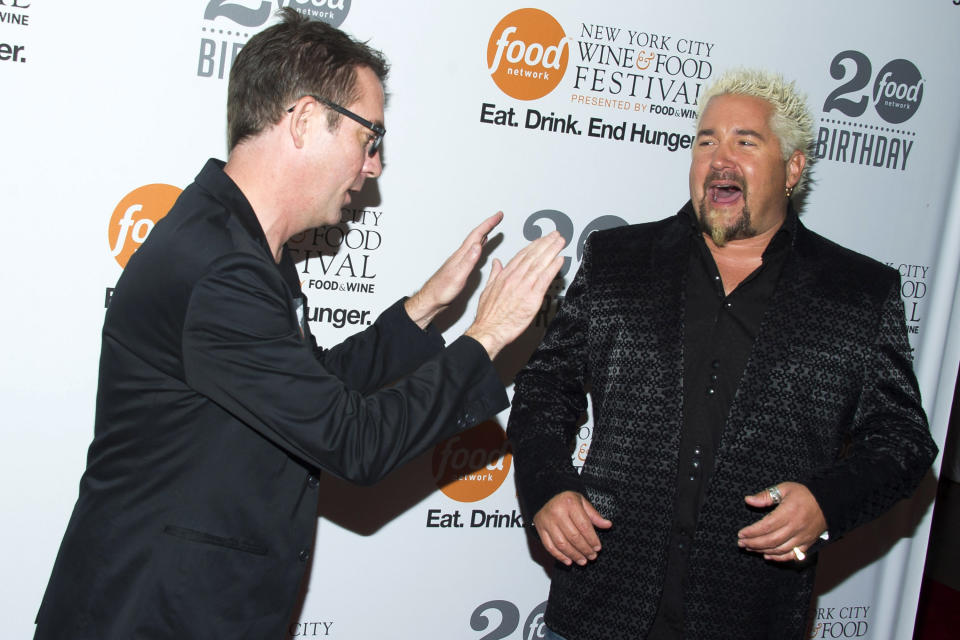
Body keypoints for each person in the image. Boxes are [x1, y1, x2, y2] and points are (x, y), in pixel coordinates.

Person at [35, 9, 564, 639]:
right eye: (371, 140)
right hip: (148, 616)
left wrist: (424, 307)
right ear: (307, 120)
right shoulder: (220, 267)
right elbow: (353, 441)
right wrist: (488, 335)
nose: (375, 167)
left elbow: (313, 388)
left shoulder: (241, 246)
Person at [507, 68, 937, 640]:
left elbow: (903, 441)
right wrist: (549, 487)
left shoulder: (857, 292)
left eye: (745, 141)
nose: (720, 157)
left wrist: (827, 503)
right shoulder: (618, 260)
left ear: (794, 168)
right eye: (706, 140)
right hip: (597, 606)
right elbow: (543, 390)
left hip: (750, 615)